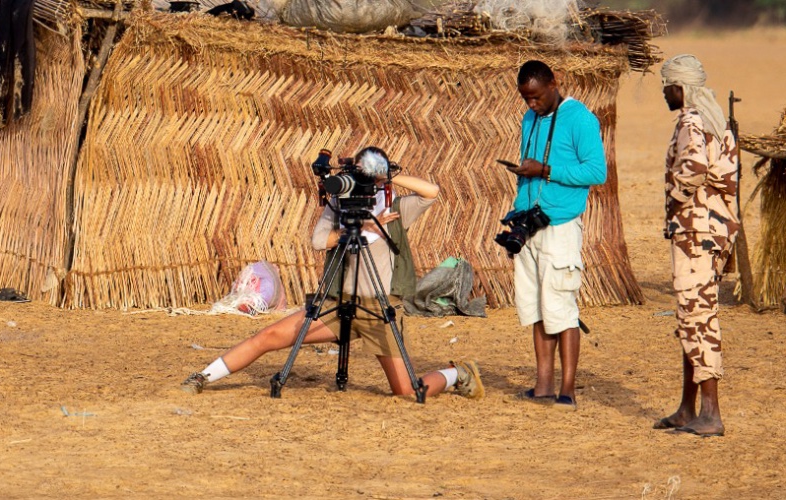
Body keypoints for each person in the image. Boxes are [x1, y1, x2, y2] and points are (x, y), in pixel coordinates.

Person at [180, 147, 484, 399]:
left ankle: (458, 373)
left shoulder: (394, 208)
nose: (369, 185)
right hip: (339, 304)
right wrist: (356, 226)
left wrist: (388, 174)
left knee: (406, 391)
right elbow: (317, 241)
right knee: (270, 335)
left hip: (378, 308)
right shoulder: (340, 205)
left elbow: (432, 192)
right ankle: (203, 376)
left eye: (373, 179)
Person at [503, 60, 608, 411]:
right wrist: (516, 215)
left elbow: (597, 171)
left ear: (553, 83)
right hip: (531, 224)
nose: (530, 105)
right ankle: (543, 385)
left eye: (535, 97)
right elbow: (526, 172)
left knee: (561, 308)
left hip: (560, 225)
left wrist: (545, 170)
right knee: (535, 308)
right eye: (525, 99)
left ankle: (567, 391)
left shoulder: (579, 118)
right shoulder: (529, 119)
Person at [652, 54, 739, 437]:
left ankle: (711, 413)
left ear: (680, 88)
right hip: (715, 230)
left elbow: (695, 169)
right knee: (692, 315)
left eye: (667, 86)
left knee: (698, 318)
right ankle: (688, 408)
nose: (665, 94)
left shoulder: (691, 121)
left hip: (696, 232)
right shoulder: (717, 120)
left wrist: (675, 195)